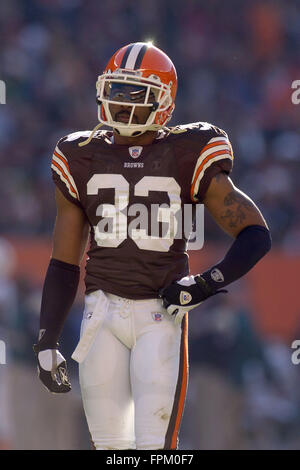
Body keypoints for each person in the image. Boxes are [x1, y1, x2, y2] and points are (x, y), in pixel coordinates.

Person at [33, 42, 271, 450]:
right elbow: (63, 262)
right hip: (101, 312)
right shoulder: (79, 155)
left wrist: (205, 283)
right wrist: (47, 339)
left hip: (159, 314)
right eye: (116, 90)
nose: (119, 102)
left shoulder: (186, 151)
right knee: (108, 445)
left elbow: (255, 234)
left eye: (133, 93)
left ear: (162, 101)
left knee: (154, 445)